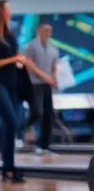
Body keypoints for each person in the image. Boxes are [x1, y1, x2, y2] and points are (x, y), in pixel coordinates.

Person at [0, 0, 50, 183]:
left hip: (12, 83)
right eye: (7, 9)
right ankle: (5, 165)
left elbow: (20, 59)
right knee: (11, 121)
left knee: (13, 124)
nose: (10, 12)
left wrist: (44, 75)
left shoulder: (10, 34)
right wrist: (10, 60)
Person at [21, 22, 60, 154]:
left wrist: (53, 78)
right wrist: (44, 76)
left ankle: (43, 145)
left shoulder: (53, 48)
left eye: (50, 30)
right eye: (45, 30)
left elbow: (54, 65)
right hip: (34, 84)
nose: (48, 33)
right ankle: (18, 131)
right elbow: (29, 64)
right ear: (38, 31)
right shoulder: (31, 46)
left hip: (46, 85)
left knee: (49, 115)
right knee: (37, 113)